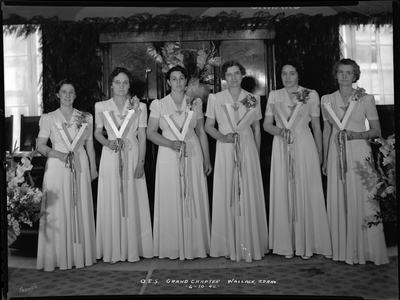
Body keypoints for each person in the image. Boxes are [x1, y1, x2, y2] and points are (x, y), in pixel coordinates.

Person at [321, 58, 389, 265]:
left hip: (359, 151)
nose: (344, 76)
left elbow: (377, 131)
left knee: (363, 197)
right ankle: (342, 249)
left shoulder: (365, 98)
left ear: (355, 75)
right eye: (340, 72)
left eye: (348, 73)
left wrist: (356, 135)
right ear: (336, 74)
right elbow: (327, 131)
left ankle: (367, 251)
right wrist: (324, 159)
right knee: (339, 198)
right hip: (335, 153)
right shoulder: (326, 99)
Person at [263, 61, 332, 260]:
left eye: (291, 73)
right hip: (281, 144)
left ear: (298, 75)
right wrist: (280, 131)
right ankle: (287, 243)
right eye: (284, 74)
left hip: (305, 145)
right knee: (284, 189)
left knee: (306, 189)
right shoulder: (274, 95)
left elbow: (317, 127)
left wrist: (320, 154)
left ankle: (310, 242)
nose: (287, 77)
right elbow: (267, 125)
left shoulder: (311, 94)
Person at [205, 60, 269, 262]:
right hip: (225, 147)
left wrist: (255, 154)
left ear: (242, 76)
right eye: (229, 74)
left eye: (236, 74)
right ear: (224, 77)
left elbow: (257, 129)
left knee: (247, 192)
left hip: (247, 147)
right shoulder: (215, 98)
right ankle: (227, 243)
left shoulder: (252, 99)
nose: (233, 78)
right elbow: (208, 126)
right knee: (227, 192)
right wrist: (222, 138)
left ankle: (249, 242)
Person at [147, 65, 212, 260]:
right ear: (168, 82)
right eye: (173, 79)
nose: (177, 82)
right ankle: (172, 246)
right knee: (171, 195)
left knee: (193, 194)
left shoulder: (195, 102)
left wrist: (207, 158)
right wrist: (169, 143)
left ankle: (195, 245)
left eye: (181, 78)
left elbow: (201, 131)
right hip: (168, 154)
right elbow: (150, 133)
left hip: (193, 152)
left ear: (186, 82)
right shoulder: (159, 104)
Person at [36, 78, 97, 271]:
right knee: (58, 209)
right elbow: (40, 146)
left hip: (80, 163)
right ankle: (56, 257)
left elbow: (89, 145)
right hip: (56, 164)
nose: (68, 95)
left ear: (75, 95)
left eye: (71, 92)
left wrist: (93, 168)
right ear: (57, 95)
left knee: (79, 206)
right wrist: (59, 155)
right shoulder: (49, 118)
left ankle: (80, 255)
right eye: (64, 92)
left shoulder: (85, 117)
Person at [95, 67, 153, 264]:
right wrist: (107, 143)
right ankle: (113, 248)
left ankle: (133, 248)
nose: (121, 86)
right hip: (110, 154)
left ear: (130, 85)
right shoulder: (101, 106)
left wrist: (141, 163)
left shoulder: (140, 106)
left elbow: (143, 136)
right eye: (117, 82)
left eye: (125, 83)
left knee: (132, 198)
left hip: (133, 152)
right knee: (112, 196)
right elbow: (97, 133)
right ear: (111, 84)